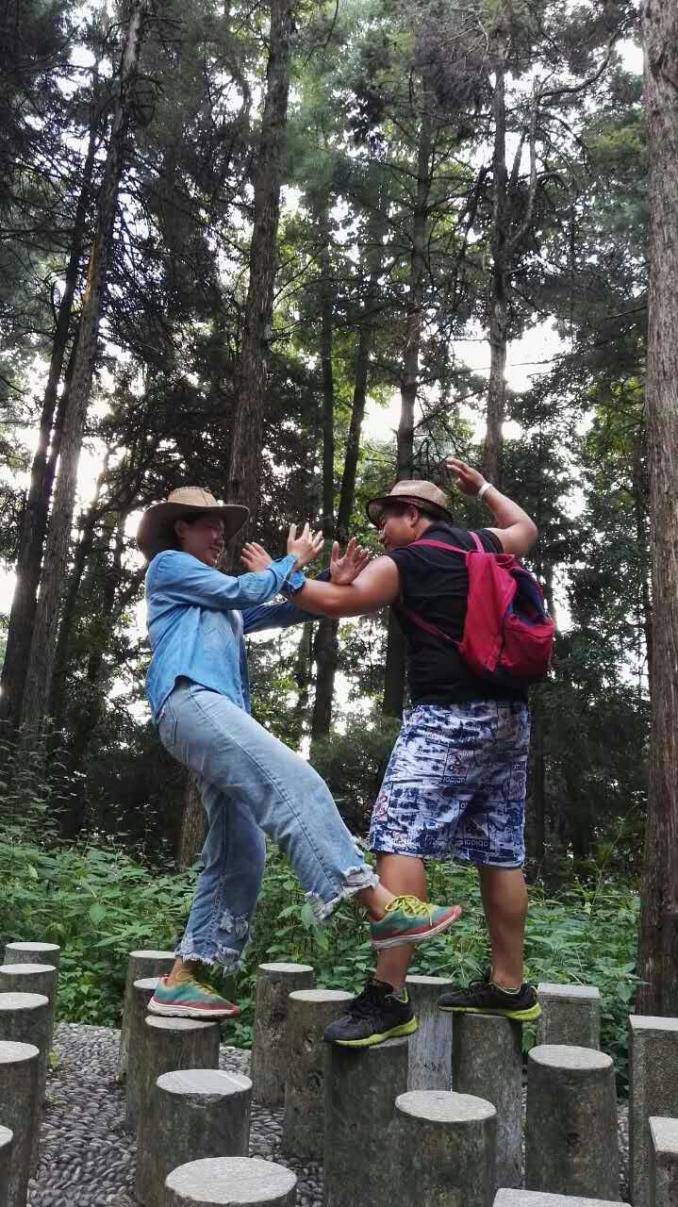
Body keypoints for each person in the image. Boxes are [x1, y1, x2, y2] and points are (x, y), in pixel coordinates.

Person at [135, 486, 461, 1020]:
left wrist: (330, 579)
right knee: (294, 781)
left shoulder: (214, 598)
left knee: (241, 848)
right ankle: (379, 906)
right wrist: (290, 562)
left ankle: (182, 978)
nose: (220, 536)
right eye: (209, 525)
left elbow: (275, 610)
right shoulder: (169, 566)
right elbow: (244, 588)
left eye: (222, 528)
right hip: (190, 698)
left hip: (210, 711)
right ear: (180, 529)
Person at [281, 458, 542, 1046]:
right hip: (509, 717)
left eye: (386, 519)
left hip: (446, 717)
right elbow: (525, 528)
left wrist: (283, 574)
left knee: (399, 836)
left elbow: (336, 603)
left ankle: (389, 995)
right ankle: (509, 986)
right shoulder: (479, 542)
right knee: (500, 849)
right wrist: (484, 487)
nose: (379, 531)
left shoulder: (407, 560)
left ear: (414, 516)